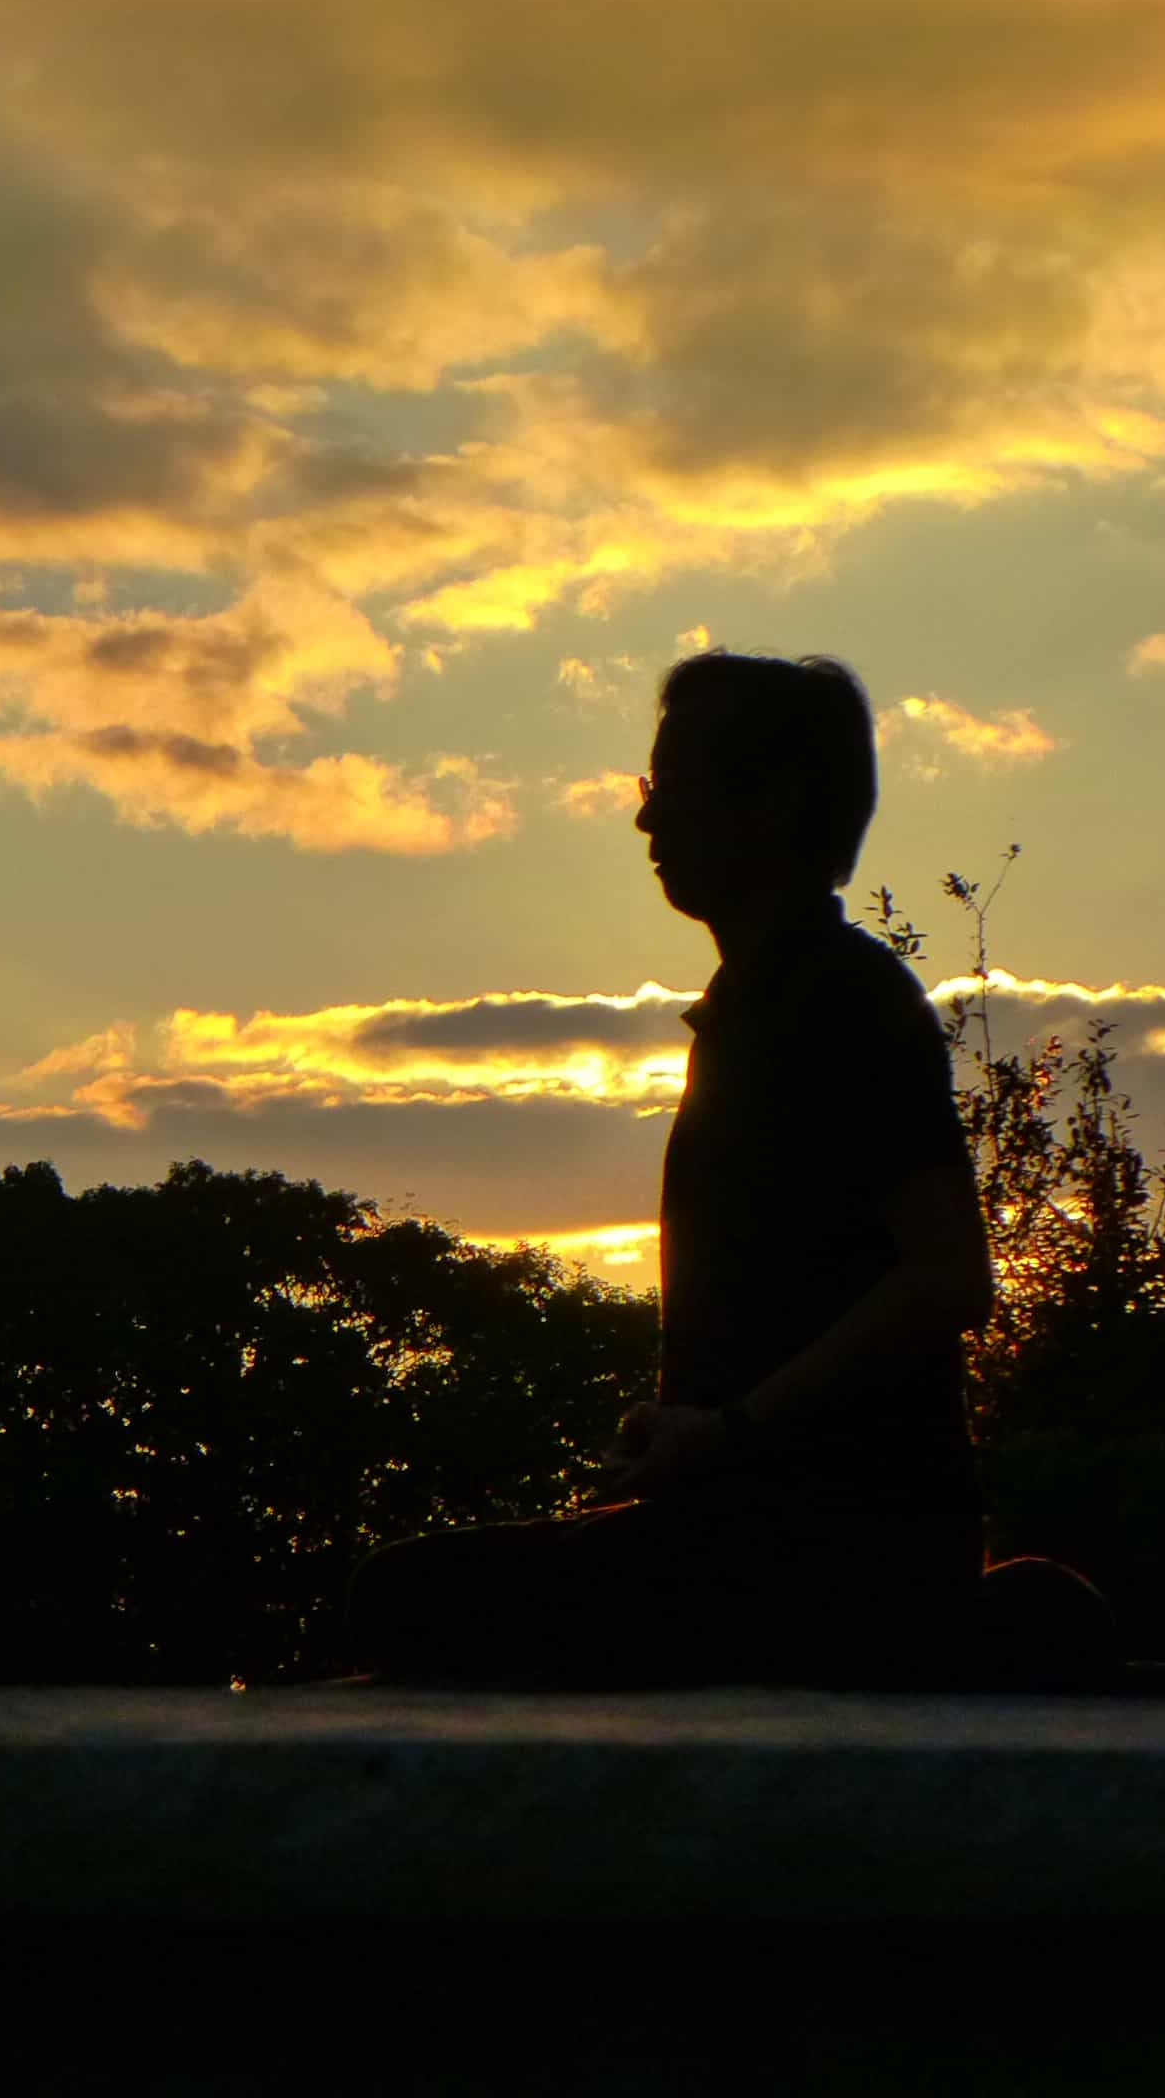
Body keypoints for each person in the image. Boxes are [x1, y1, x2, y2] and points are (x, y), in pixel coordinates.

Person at [342, 649, 995, 1684]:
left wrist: (729, 1431)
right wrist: (683, 1433)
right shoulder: (757, 1008)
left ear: (769, 804)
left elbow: (949, 1278)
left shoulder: (842, 1002)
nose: (646, 822)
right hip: (757, 1534)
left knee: (401, 1603)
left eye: (671, 786)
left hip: (827, 1557)